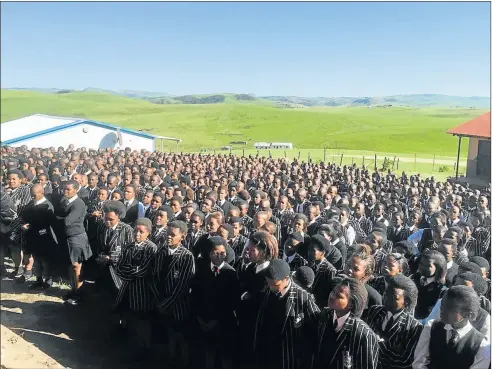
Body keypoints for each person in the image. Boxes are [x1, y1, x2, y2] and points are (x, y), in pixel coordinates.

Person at [253, 259, 319, 369]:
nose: (271, 287)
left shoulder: (303, 299)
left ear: (286, 279)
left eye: (275, 285)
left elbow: (314, 331)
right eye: (268, 283)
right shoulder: (267, 290)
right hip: (266, 354)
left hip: (288, 357)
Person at [190, 236, 240, 369]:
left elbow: (231, 301)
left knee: (225, 354)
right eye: (215, 253)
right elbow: (195, 294)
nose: (218, 256)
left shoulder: (230, 273)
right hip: (203, 319)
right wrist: (200, 318)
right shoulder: (202, 269)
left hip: (223, 322)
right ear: (209, 253)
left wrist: (216, 320)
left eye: (222, 253)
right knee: (208, 352)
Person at [412, 285, 491, 369]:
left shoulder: (481, 346)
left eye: (451, 309)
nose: (443, 311)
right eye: (442, 305)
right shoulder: (432, 327)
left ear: (468, 314)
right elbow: (419, 362)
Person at [113, 217, 158, 361]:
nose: (137, 235)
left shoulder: (151, 248)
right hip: (127, 289)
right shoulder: (128, 247)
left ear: (148, 233)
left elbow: (143, 271)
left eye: (141, 232)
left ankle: (146, 348)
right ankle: (132, 346)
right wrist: (132, 270)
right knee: (128, 316)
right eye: (135, 231)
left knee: (143, 320)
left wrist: (131, 270)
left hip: (143, 291)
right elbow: (119, 268)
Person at [313, 276, 379, 369]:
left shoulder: (364, 335)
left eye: (339, 296)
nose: (332, 296)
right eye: (333, 292)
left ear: (351, 304)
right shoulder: (325, 315)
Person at [154, 220, 195, 369]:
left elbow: (183, 285)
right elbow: (156, 276)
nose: (169, 237)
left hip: (178, 304)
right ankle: (171, 359)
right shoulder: (161, 252)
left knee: (181, 336)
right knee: (170, 332)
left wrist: (165, 304)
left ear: (182, 237)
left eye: (173, 235)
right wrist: (158, 299)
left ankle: (184, 362)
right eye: (167, 234)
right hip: (162, 299)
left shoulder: (186, 256)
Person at [365, 274, 423, 369]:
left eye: (394, 298)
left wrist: (378, 345)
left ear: (406, 302)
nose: (387, 299)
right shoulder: (375, 311)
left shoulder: (414, 327)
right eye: (386, 293)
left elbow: (405, 361)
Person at [59, 180, 92, 305]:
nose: (65, 191)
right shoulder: (65, 202)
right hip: (68, 237)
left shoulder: (78, 204)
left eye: (68, 189)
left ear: (76, 190)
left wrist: (55, 218)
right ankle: (73, 290)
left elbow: (67, 221)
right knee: (70, 266)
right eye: (64, 189)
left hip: (77, 238)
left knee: (76, 266)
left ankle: (78, 293)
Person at [21, 184, 58, 289]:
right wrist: (25, 225)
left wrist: (33, 229)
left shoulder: (47, 206)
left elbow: (48, 224)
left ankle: (48, 279)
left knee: (46, 260)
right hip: (33, 237)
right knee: (37, 259)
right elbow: (25, 217)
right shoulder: (31, 204)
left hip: (44, 238)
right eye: (31, 195)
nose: (32, 197)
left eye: (34, 195)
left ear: (41, 193)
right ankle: (38, 279)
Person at [308, 235, 338, 308]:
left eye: (313, 250)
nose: (310, 252)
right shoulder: (309, 264)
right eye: (309, 249)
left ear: (322, 253)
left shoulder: (330, 270)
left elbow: (330, 294)